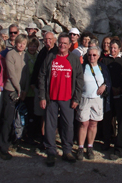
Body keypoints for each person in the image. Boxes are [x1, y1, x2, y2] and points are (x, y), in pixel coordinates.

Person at [38, 33, 84, 167]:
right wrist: (42, 96)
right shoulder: (50, 57)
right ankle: (51, 152)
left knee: (68, 126)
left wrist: (77, 98)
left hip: (67, 99)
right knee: (50, 125)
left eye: (65, 43)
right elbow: (41, 76)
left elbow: (79, 79)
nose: (62, 45)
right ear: (57, 43)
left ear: (70, 45)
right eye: (60, 43)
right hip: (51, 98)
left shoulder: (74, 59)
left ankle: (67, 151)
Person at [76, 46, 111, 160]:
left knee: (93, 124)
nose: (92, 57)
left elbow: (108, 81)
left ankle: (90, 146)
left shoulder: (103, 68)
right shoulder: (82, 67)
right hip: (84, 98)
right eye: (90, 55)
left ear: (98, 56)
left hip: (97, 99)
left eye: (94, 55)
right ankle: (81, 147)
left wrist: (105, 86)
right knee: (83, 123)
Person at [0, 34, 30, 160]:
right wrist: (18, 90)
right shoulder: (10, 54)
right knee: (8, 119)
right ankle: (3, 147)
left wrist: (25, 91)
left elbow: (27, 74)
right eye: (19, 43)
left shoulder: (26, 55)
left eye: (23, 44)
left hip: (21, 91)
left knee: (18, 118)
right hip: (11, 90)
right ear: (15, 43)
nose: (21, 45)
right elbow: (11, 74)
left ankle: (14, 141)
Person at [100, 39, 122, 150]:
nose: (112, 50)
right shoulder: (104, 60)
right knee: (107, 119)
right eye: (111, 48)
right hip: (108, 95)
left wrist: (121, 89)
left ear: (119, 49)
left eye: (115, 48)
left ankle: (119, 143)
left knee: (120, 120)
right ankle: (107, 141)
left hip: (120, 94)